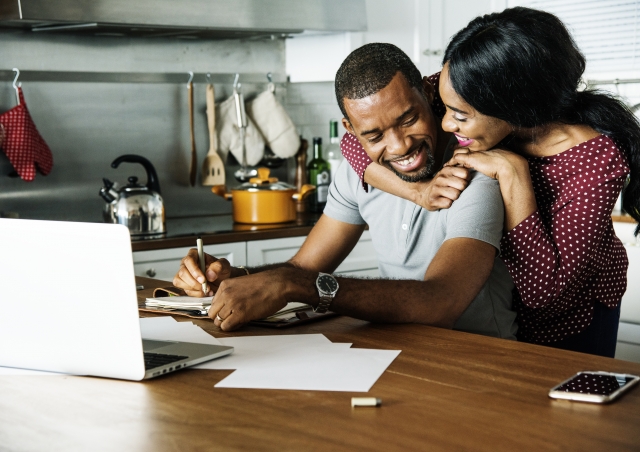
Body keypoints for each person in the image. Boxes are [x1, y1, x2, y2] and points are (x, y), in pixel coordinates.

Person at [339, 7, 640, 357]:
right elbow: (355, 142)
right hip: (500, 309)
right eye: (446, 109)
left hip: (571, 320)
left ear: (514, 107)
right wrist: (418, 192)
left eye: (461, 116)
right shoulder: (462, 84)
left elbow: (545, 294)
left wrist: (514, 174)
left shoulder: (594, 160)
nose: (447, 124)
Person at [173, 43, 517, 339]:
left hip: (483, 359)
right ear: (351, 131)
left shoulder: (474, 172)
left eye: (408, 120)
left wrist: (297, 285)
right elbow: (302, 268)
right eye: (374, 135)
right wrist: (234, 279)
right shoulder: (356, 176)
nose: (399, 146)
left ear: (429, 94)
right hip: (407, 353)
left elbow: (441, 302)